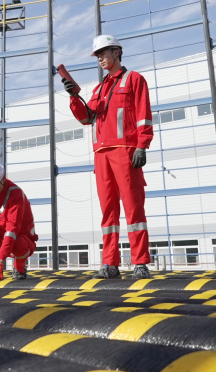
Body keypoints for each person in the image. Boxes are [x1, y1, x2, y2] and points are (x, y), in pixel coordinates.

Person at [64, 34, 153, 279]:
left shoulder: (133, 79)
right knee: (108, 212)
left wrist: (141, 145)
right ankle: (110, 263)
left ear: (116, 51)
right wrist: (73, 96)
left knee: (134, 208)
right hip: (101, 155)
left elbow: (144, 114)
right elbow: (86, 118)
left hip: (125, 151)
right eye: (97, 55)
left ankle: (140, 263)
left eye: (103, 53)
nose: (100, 58)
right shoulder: (99, 88)